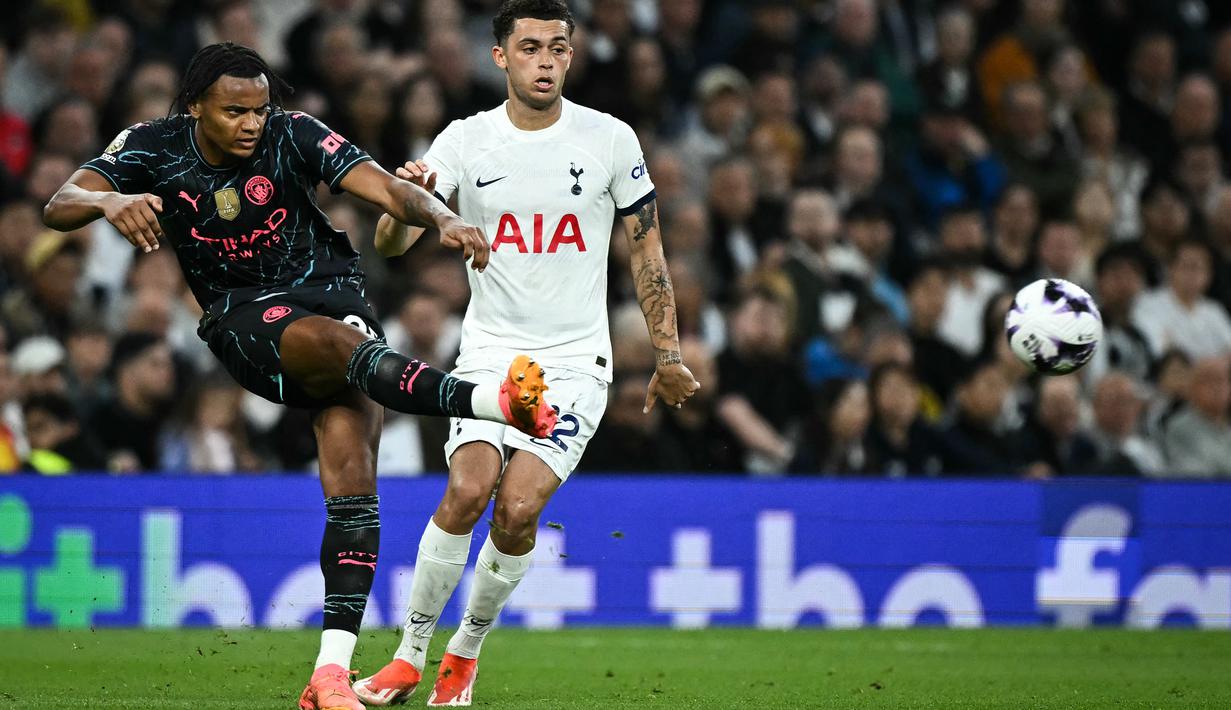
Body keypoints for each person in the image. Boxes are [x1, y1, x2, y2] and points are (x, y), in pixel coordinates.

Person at [39, 42, 558, 710]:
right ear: (195, 107)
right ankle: (493, 401)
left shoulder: (293, 133)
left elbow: (386, 188)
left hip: (334, 295)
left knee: (353, 491)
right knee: (340, 347)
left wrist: (443, 216)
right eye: (233, 111)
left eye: (259, 108)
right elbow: (59, 201)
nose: (251, 122)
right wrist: (108, 204)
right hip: (243, 319)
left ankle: (329, 675)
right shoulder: (151, 145)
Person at [351, 2, 700, 706]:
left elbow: (647, 251)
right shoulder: (465, 141)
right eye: (531, 47)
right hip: (489, 354)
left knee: (514, 511)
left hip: (575, 363)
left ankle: (463, 654)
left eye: (558, 47)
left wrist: (667, 352)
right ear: (500, 57)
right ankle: (408, 657)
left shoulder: (608, 139)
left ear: (572, 57)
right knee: (467, 490)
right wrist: (404, 203)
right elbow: (391, 245)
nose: (546, 60)